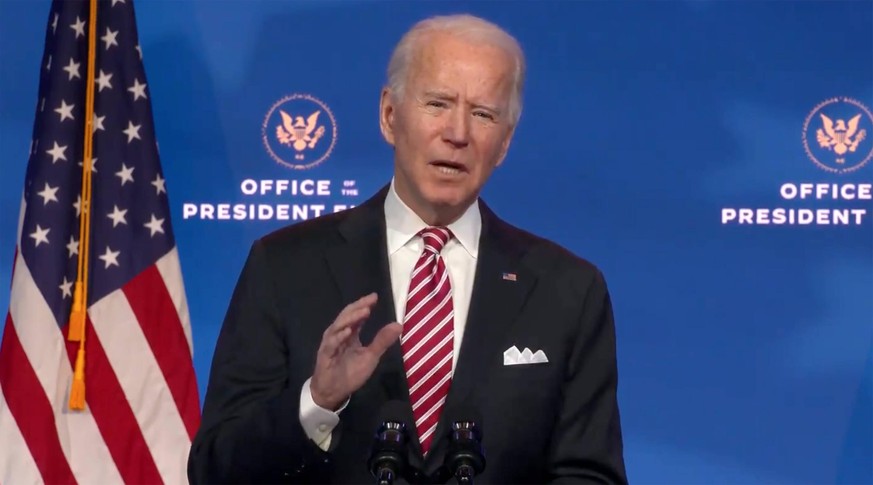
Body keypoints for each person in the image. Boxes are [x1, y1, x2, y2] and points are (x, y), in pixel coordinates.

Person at [188, 13, 627, 484]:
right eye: (437, 104)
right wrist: (316, 401)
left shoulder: (567, 290)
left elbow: (589, 475)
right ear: (390, 115)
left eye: (483, 113)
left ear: (504, 143)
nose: (457, 133)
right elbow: (216, 469)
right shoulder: (284, 267)